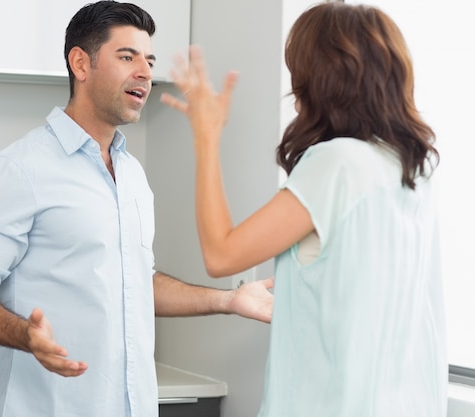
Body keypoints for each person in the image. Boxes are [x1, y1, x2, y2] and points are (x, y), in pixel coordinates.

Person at [0, 1, 274, 417]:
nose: (146, 73)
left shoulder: (132, 174)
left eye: (149, 60)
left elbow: (136, 282)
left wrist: (229, 300)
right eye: (127, 56)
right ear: (81, 63)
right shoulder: (18, 170)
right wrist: (25, 335)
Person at [161, 3, 446, 417]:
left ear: (324, 78)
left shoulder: (338, 163)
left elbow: (221, 255)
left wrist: (206, 138)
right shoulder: (414, 170)